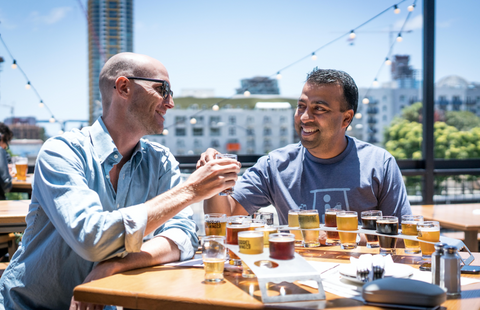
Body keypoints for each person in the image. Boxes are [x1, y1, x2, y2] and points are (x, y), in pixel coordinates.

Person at [0, 53, 240, 310]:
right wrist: (191, 190)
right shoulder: (62, 151)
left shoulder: (160, 161)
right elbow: (91, 238)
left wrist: (116, 265)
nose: (170, 103)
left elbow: (183, 236)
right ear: (124, 87)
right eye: (163, 89)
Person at [200, 68, 411, 237]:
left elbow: (402, 237)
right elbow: (224, 216)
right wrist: (214, 181)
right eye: (301, 106)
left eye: (319, 109)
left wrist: (349, 238)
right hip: (298, 278)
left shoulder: (379, 163)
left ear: (346, 119)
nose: (304, 117)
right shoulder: (275, 165)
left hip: (359, 281)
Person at [0, 123, 13, 201]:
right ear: (2, 137)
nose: (5, 147)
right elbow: (6, 183)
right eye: (7, 143)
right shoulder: (0, 151)